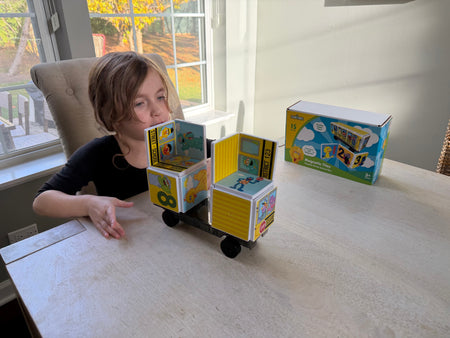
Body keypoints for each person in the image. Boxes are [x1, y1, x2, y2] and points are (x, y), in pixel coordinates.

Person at [33, 51, 187, 240]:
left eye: (160, 97)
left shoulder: (179, 139)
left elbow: (220, 153)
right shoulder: (99, 153)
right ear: (112, 114)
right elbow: (42, 201)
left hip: (179, 234)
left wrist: (212, 164)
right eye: (139, 103)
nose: (157, 110)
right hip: (129, 241)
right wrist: (88, 203)